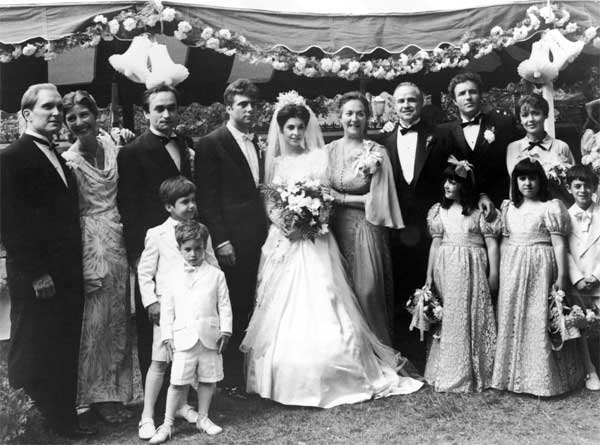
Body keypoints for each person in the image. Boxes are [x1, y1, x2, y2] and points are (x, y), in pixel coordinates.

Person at [240, 94, 423, 408]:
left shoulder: (318, 158)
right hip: (286, 240)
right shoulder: (277, 163)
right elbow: (269, 200)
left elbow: (326, 197)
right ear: (281, 131)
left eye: (300, 127)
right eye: (289, 128)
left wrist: (311, 218)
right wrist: (284, 223)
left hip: (314, 240)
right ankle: (280, 375)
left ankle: (337, 368)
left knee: (327, 297)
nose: (295, 133)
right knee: (280, 303)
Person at [0, 83, 95, 437]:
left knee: (62, 346)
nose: (57, 113)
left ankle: (63, 422)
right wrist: (37, 272)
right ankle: (27, 428)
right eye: (47, 107)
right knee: (31, 348)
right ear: (27, 114)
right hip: (36, 275)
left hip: (66, 271)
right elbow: (10, 221)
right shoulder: (12, 157)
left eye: (59, 107)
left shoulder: (57, 154)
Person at [61, 90, 133, 423]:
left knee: (118, 319)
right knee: (96, 322)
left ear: (97, 114)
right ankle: (94, 397)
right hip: (90, 241)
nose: (79, 122)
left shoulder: (111, 144)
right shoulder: (69, 161)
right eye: (71, 118)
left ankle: (116, 393)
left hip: (117, 237)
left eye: (84, 114)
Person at [117, 85, 195, 383]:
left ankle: (184, 384)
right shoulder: (132, 152)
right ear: (146, 112)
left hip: (185, 245)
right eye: (159, 108)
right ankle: (158, 392)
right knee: (155, 320)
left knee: (184, 313)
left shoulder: (183, 143)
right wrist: (137, 255)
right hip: (153, 249)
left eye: (171, 108)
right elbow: (128, 207)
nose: (166, 114)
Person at [195, 79, 268, 389]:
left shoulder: (257, 141)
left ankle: (251, 371)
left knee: (254, 302)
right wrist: (221, 240)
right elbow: (207, 198)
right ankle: (231, 378)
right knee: (233, 306)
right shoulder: (211, 143)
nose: (250, 110)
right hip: (232, 240)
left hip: (259, 236)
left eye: (253, 104)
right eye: (243, 104)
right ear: (228, 108)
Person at [491, 158, 584, 396]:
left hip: (541, 266)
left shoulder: (550, 207)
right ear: (515, 181)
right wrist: (501, 271)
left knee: (539, 316)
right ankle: (513, 376)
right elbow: (504, 242)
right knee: (513, 316)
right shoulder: (509, 208)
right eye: (522, 178)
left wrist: (562, 275)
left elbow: (558, 244)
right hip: (513, 266)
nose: (527, 183)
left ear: (540, 180)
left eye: (532, 178)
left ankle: (541, 378)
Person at [137, 176, 218, 439]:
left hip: (194, 310)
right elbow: (144, 273)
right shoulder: (157, 234)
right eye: (185, 202)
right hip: (167, 310)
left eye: (194, 200)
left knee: (187, 360)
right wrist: (151, 301)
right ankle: (147, 416)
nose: (192, 206)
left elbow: (212, 265)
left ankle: (182, 406)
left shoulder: (201, 232)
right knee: (160, 361)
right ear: (169, 206)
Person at [325, 91, 404, 346]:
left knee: (367, 290)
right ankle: (347, 353)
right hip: (333, 230)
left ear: (367, 118)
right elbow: (319, 190)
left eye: (360, 113)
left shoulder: (377, 152)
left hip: (365, 229)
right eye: (349, 113)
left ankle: (373, 350)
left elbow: (381, 201)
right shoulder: (328, 151)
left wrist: (342, 198)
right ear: (340, 117)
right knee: (337, 292)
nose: (354, 118)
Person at [378, 82, 446, 363]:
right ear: (394, 106)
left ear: (421, 103)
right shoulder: (384, 142)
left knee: (433, 285)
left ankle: (433, 351)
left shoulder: (438, 136)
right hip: (397, 229)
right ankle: (406, 352)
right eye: (401, 101)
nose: (406, 105)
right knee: (400, 286)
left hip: (430, 227)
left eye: (411, 100)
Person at [149, 221, 232, 444]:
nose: (193, 254)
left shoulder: (216, 275)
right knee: (177, 382)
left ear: (205, 247)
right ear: (179, 249)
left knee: (207, 379)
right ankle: (167, 424)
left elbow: (224, 305)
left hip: (209, 337)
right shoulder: (172, 276)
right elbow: (167, 309)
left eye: (198, 248)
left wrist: (225, 331)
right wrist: (167, 336)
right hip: (183, 338)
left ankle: (203, 418)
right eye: (187, 249)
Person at [423, 161, 499, 392]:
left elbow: (492, 245)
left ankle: (477, 370)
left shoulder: (479, 212)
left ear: (465, 186)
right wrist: (429, 276)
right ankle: (450, 369)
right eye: (445, 181)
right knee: (451, 315)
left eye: (453, 182)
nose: (447, 186)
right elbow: (435, 245)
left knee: (474, 314)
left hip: (473, 268)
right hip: (446, 268)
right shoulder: (439, 211)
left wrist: (494, 274)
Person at [438, 72, 520, 210]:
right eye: (462, 93)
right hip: (463, 206)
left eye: (472, 92)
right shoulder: (445, 132)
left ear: (481, 95)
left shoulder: (502, 124)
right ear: (454, 101)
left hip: (499, 201)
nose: (468, 97)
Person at [565, 164, 600, 391]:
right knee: (581, 325)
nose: (583, 190)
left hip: (598, 279)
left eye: (588, 186)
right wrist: (577, 278)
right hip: (577, 283)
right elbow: (563, 251)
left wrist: (596, 276)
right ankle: (590, 370)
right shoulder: (564, 216)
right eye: (577, 186)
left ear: (595, 188)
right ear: (569, 188)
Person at [506, 94, 574, 202]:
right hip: (525, 208)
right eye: (525, 115)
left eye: (536, 113)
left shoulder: (561, 146)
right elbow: (513, 186)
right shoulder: (513, 148)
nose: (531, 119)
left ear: (545, 115)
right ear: (520, 119)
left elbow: (573, 184)